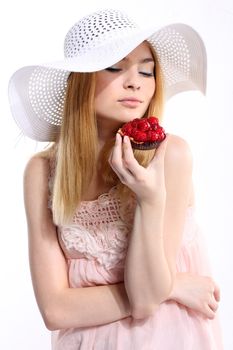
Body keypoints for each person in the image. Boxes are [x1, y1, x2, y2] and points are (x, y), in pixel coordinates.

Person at [8, 8, 223, 350]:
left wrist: (150, 200)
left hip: (168, 338)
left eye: (147, 70)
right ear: (80, 79)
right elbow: (54, 309)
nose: (135, 81)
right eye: (115, 66)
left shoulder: (171, 156)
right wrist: (175, 286)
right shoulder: (42, 171)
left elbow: (145, 303)